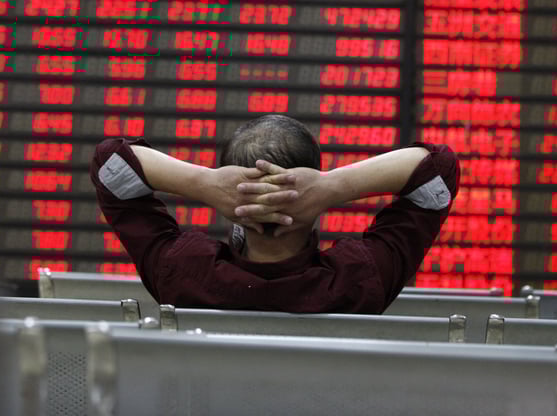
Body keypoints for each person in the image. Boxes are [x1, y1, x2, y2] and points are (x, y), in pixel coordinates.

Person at [91, 114, 459, 314]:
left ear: (232, 204)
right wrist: (331, 188)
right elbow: (438, 168)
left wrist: (204, 183)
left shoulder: (182, 270)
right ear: (312, 201)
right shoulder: (361, 278)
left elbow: (110, 163)